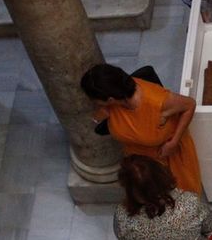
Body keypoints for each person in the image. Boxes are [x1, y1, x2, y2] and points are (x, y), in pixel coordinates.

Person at [79, 63, 202, 195]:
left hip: (168, 158)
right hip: (140, 161)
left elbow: (190, 104)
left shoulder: (157, 102)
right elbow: (98, 122)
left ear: (110, 99)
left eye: (95, 100)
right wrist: (99, 116)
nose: (94, 103)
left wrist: (174, 142)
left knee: (179, 198)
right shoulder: (113, 104)